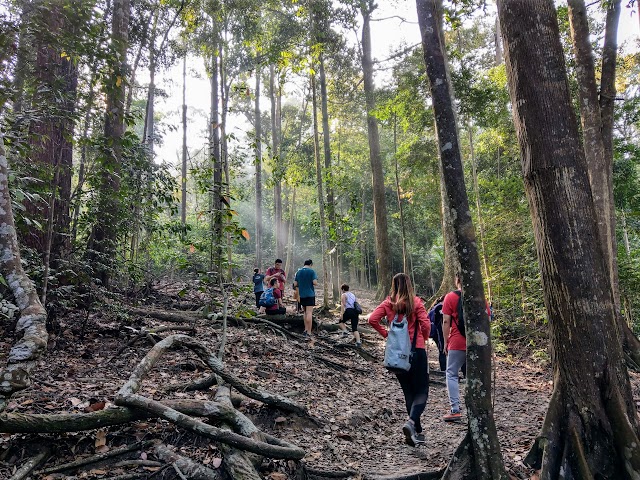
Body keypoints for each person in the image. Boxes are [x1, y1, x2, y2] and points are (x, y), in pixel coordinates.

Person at [369, 273, 430, 447]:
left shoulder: (388, 304)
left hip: (396, 355)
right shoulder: (416, 303)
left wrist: (387, 334)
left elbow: (372, 319)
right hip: (416, 351)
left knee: (408, 392)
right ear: (409, 286)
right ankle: (411, 424)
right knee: (422, 391)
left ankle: (416, 431)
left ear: (394, 286)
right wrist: (423, 338)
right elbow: (426, 325)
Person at [442, 273, 488, 422]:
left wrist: (445, 342)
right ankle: (477, 410)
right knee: (473, 375)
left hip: (457, 341)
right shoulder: (480, 297)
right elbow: (487, 318)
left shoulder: (450, 297)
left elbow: (446, 322)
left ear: (457, 280)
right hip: (476, 343)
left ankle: (455, 409)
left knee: (451, 373)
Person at [293, 259, 318, 339]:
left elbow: (295, 284)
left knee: (305, 312)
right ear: (310, 264)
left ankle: (305, 330)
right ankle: (309, 332)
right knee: (309, 313)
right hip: (310, 294)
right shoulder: (312, 271)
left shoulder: (298, 272)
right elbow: (315, 283)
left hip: (302, 295)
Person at [427, 295, 447, 371]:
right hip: (438, 331)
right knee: (442, 350)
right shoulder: (440, 307)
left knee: (442, 350)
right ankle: (444, 369)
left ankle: (444, 368)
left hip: (437, 332)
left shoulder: (436, 306)